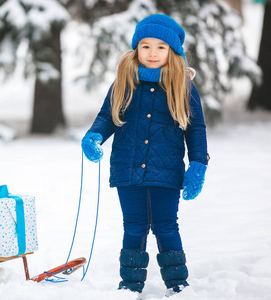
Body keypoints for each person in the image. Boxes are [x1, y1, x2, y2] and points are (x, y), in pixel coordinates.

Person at [81, 14, 210, 297]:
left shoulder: (184, 87)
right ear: (136, 49)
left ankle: (177, 284)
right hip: (128, 170)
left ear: (172, 51)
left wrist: (198, 164)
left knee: (166, 226)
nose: (153, 53)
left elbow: (196, 129)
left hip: (166, 172)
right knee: (134, 227)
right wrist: (94, 136)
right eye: (146, 46)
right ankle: (129, 285)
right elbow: (107, 117)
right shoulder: (124, 83)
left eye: (161, 47)